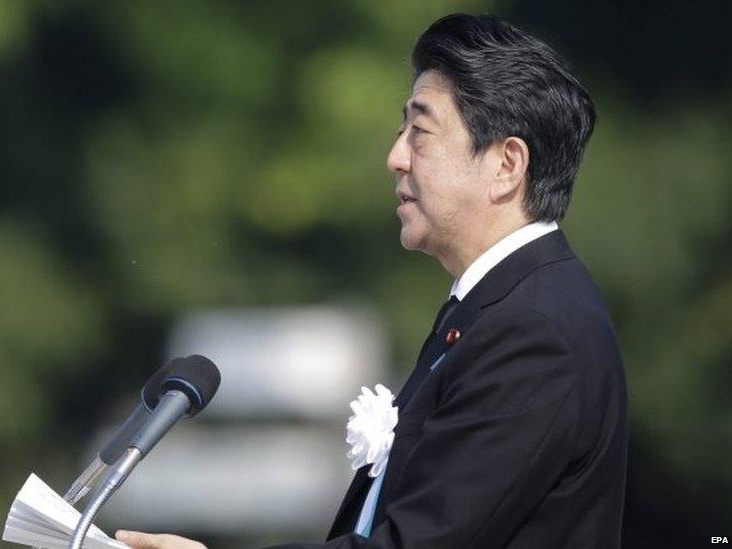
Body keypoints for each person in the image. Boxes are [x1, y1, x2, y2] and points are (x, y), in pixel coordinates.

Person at [116, 13, 628, 549]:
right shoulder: (500, 307)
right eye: (400, 131)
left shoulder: (533, 331)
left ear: (506, 164)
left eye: (421, 133)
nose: (395, 157)